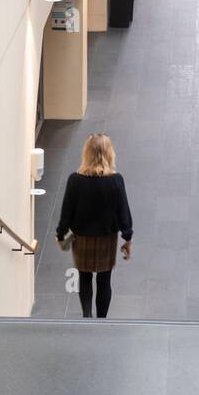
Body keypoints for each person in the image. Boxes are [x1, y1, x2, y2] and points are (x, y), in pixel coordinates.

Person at [55, 133, 133, 319]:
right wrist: (127, 237)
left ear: (87, 154)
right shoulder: (116, 180)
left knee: (84, 277)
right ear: (109, 154)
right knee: (105, 280)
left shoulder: (75, 180)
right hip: (107, 239)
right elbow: (124, 212)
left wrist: (60, 235)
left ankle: (87, 315)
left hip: (82, 239)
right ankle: (102, 320)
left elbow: (67, 211)